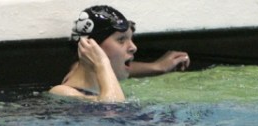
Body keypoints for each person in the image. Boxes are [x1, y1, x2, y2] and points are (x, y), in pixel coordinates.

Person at [49, 5, 190, 102]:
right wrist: (102, 63)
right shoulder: (63, 92)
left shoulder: (96, 84)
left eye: (131, 39)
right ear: (91, 47)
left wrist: (156, 67)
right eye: (121, 39)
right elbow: (113, 111)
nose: (133, 47)